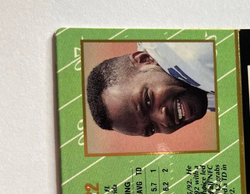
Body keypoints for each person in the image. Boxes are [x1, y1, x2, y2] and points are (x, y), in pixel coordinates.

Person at [86, 41, 215, 137]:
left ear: (145, 60)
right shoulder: (191, 92)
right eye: (152, 128)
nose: (164, 120)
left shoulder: (194, 53)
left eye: (147, 101)